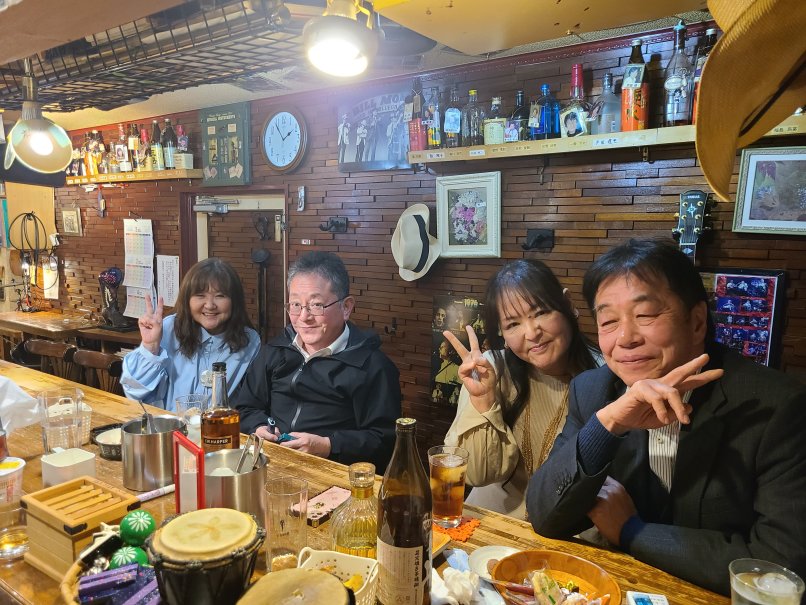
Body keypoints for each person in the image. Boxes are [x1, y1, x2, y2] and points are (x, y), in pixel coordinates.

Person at [526, 239, 806, 595]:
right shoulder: (594, 390)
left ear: (697, 322)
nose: (625, 338)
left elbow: (780, 567)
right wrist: (608, 425)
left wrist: (631, 530)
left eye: (646, 315)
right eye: (608, 320)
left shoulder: (776, 406)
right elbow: (545, 516)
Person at [444, 260, 599, 518]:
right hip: (491, 523)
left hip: (567, 533)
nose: (532, 333)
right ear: (502, 333)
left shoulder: (605, 377)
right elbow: (476, 474)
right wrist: (484, 399)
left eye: (541, 312)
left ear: (568, 304)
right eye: (513, 324)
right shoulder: (491, 370)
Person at [232, 251, 401, 471]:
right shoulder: (276, 350)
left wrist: (328, 446)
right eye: (295, 305)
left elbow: (385, 440)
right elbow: (245, 407)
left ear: (346, 307)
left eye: (316, 305)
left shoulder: (372, 366)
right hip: (270, 464)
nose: (304, 317)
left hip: (333, 473)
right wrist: (258, 426)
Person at [121, 258, 261, 412]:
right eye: (200, 295)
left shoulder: (249, 340)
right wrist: (150, 346)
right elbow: (135, 394)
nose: (210, 305)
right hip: (172, 425)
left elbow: (252, 402)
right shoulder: (168, 329)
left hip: (220, 426)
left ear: (234, 301)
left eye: (220, 295)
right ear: (187, 299)